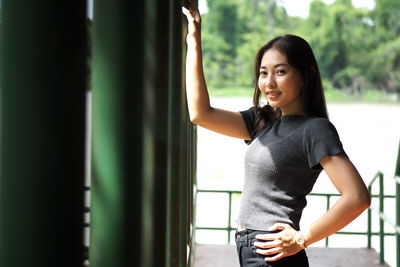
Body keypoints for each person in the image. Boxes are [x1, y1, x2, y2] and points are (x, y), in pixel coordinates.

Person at [182, 3, 371, 267]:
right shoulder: (263, 120)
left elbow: (357, 197)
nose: (269, 82)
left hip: (273, 255)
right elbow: (200, 114)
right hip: (250, 250)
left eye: (280, 71)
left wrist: (302, 238)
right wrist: (194, 39)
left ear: (306, 75)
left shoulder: (315, 130)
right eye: (263, 73)